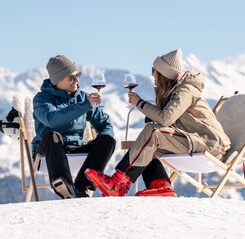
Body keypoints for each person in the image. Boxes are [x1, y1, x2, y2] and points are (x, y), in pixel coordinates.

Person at [85, 49, 231, 197]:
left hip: (209, 143)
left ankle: (118, 184)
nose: (152, 74)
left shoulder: (185, 90)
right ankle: (161, 186)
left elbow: (166, 118)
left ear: (163, 74)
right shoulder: (174, 90)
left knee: (153, 133)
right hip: (194, 139)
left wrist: (140, 103)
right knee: (149, 146)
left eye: (154, 70)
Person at [32, 55, 116, 199]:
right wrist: (84, 106)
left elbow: (105, 123)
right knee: (52, 135)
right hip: (49, 153)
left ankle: (81, 187)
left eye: (78, 75)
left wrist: (103, 140)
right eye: (72, 77)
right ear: (58, 80)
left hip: (76, 149)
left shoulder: (82, 97)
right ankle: (63, 185)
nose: (77, 80)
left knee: (108, 140)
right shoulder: (42, 99)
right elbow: (52, 120)